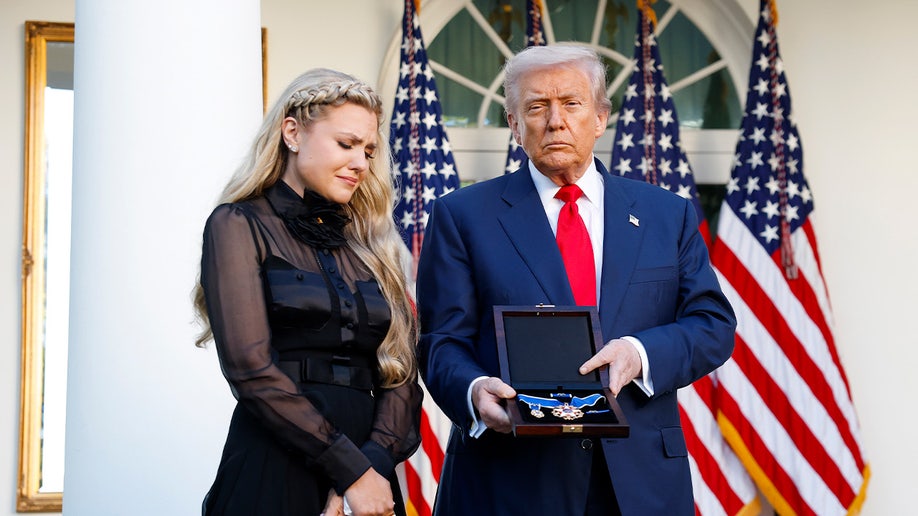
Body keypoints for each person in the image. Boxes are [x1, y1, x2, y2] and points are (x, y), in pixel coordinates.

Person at [416, 44, 736, 515]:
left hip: (639, 484)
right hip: (511, 480)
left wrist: (639, 354)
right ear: (513, 124)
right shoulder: (461, 216)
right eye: (536, 107)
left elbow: (712, 325)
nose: (555, 121)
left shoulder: (667, 215)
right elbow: (441, 342)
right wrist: (474, 390)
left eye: (571, 103)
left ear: (600, 117)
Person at [193, 68, 421, 516]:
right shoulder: (238, 224)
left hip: (370, 475)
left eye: (368, 150)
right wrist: (350, 471)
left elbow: (402, 378)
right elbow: (250, 370)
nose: (361, 163)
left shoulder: (374, 244)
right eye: (346, 144)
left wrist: (371, 468)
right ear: (292, 133)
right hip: (275, 464)